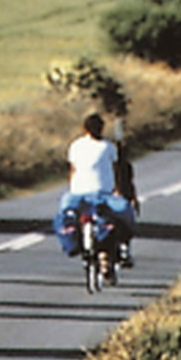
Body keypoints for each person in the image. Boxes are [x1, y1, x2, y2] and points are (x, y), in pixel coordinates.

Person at [60, 113, 136, 268]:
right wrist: (119, 190)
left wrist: (73, 188)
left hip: (78, 195)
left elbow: (72, 170)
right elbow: (116, 170)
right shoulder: (108, 147)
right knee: (126, 214)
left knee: (65, 215)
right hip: (104, 195)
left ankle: (73, 242)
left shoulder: (75, 146)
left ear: (84, 129)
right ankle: (124, 249)